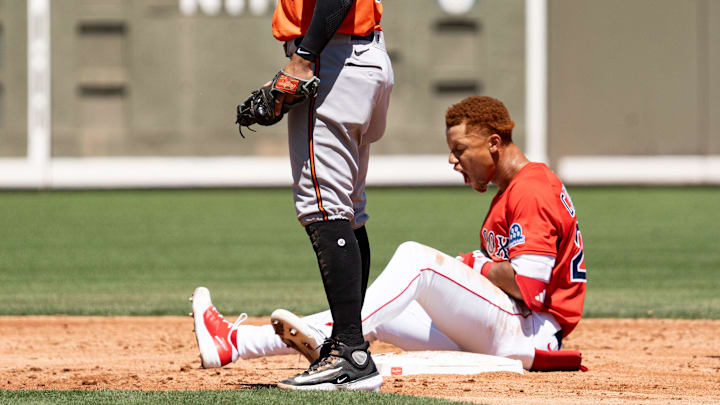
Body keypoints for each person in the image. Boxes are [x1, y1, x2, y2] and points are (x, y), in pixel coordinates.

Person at [191, 96, 588, 391]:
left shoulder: (532, 189)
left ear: (495, 143)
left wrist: (475, 265)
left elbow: (529, 286)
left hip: (531, 331)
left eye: (461, 150)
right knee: (390, 309)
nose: (454, 161)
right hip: (514, 328)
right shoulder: (514, 190)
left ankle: (346, 355)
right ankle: (237, 343)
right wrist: (476, 264)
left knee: (417, 259)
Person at [194, 0, 393, 392]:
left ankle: (350, 354)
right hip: (361, 57)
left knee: (325, 206)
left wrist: (305, 57)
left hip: (332, 58)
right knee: (348, 211)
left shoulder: (316, 55)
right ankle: (346, 343)